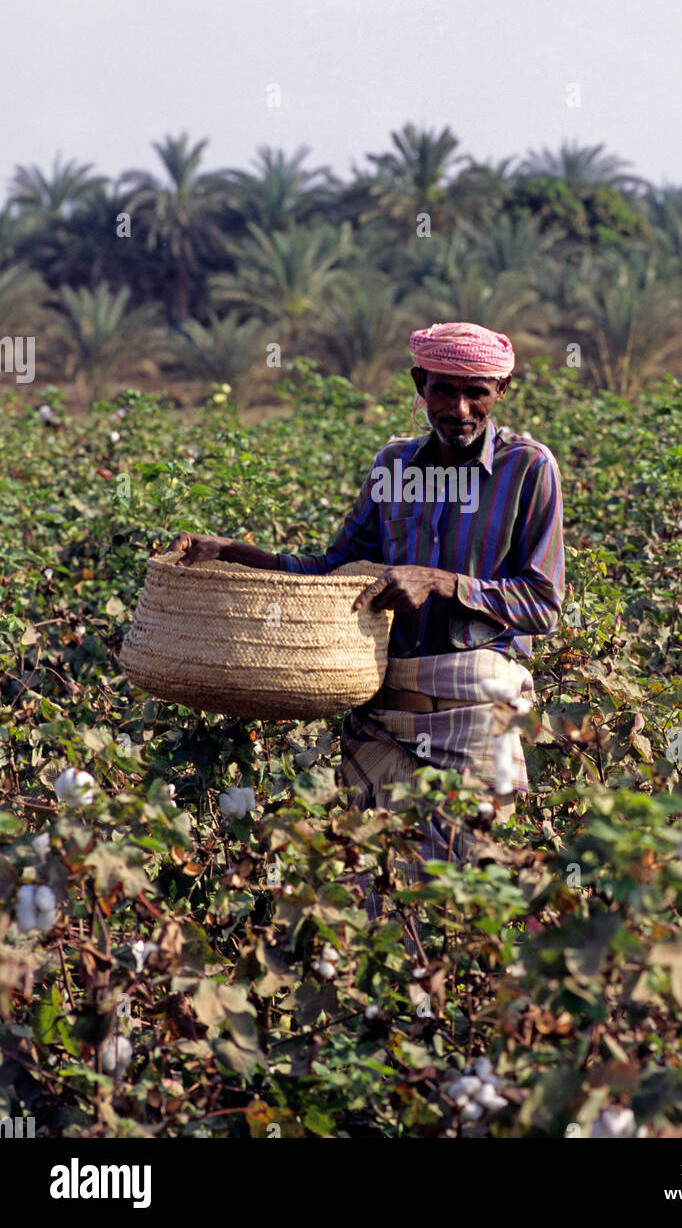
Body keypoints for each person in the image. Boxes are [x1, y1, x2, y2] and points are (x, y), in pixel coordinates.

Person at [167, 321, 565, 886]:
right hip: (380, 714)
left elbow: (544, 603)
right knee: (373, 890)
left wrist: (445, 583)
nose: (459, 408)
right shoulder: (394, 466)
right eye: (443, 389)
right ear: (418, 382)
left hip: (477, 715)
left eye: (476, 391)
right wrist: (234, 552)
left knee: (465, 893)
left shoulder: (529, 469)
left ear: (502, 391)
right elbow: (333, 572)